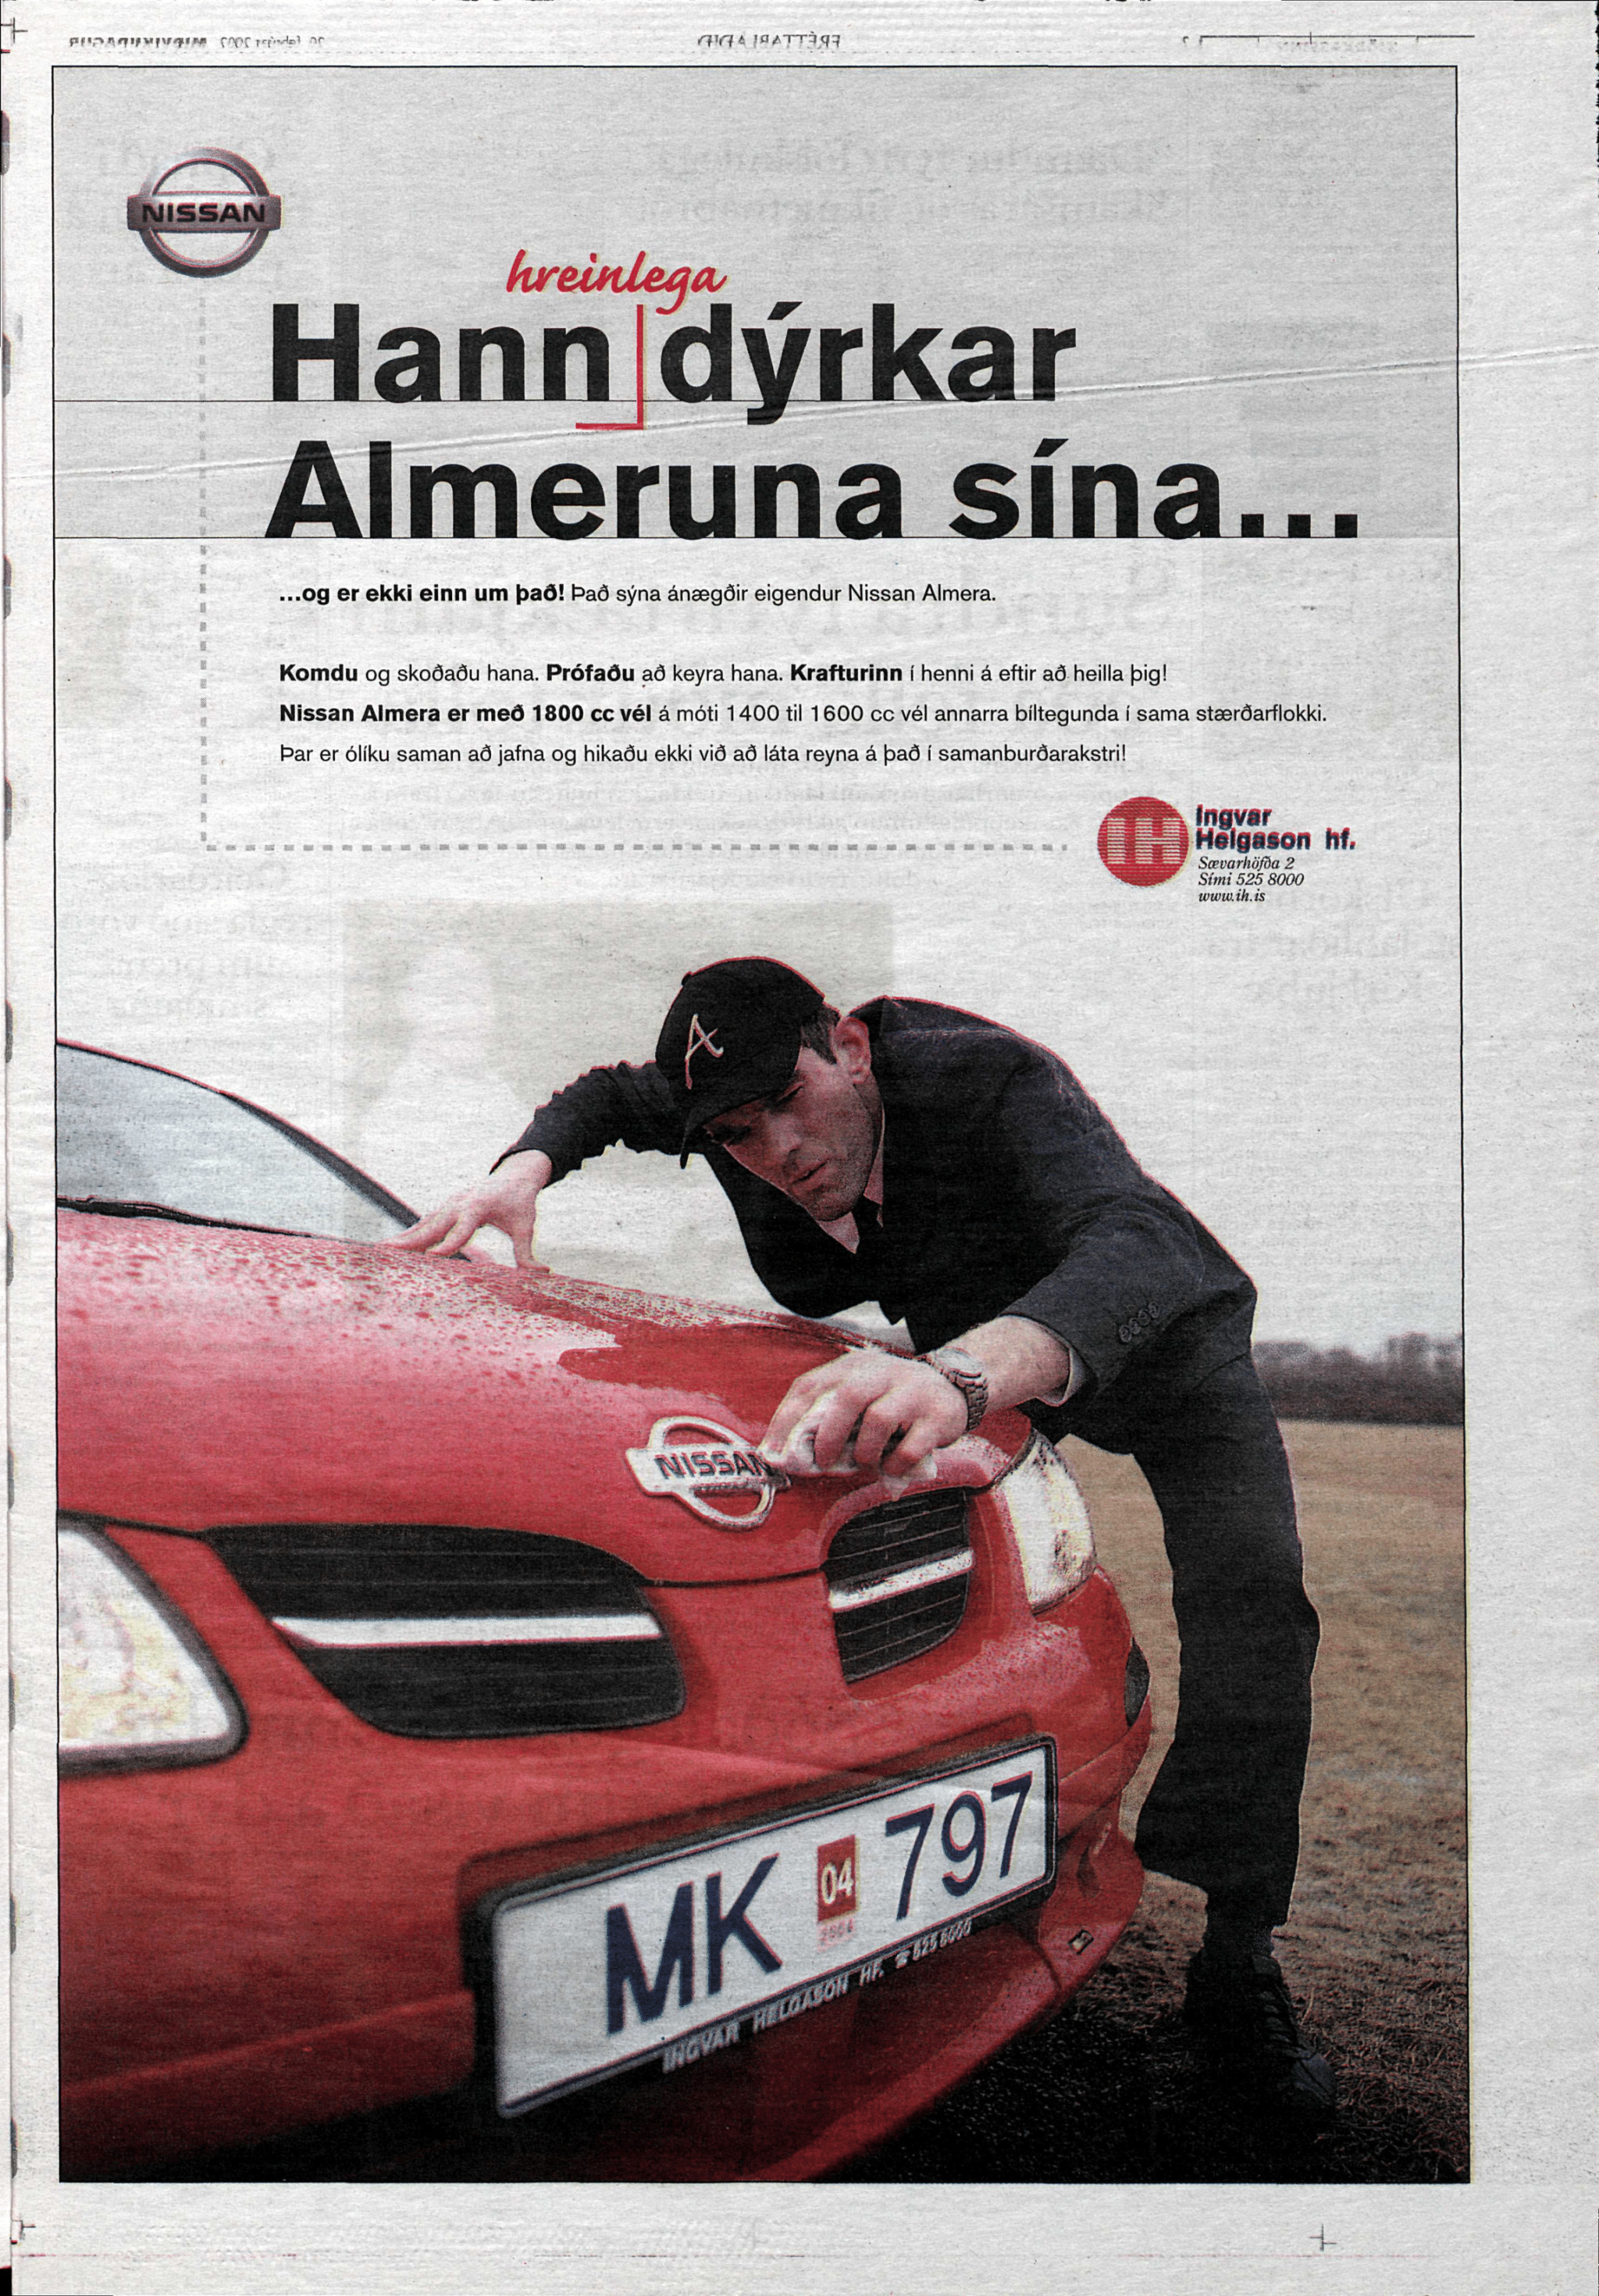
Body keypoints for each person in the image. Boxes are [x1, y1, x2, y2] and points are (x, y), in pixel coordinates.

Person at [391, 956, 1334, 2123]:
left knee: (1257, 1598)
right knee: (928, 1583)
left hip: (1152, 1342)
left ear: (846, 1045)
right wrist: (517, 1174)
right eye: (736, 1132)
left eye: (789, 1101)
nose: (775, 1149)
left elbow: (1136, 1237)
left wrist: (962, 1375)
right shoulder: (720, 1108)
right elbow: (604, 1097)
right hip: (972, 1364)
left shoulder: (983, 1078)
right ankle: (915, 1872)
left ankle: (1239, 1960)